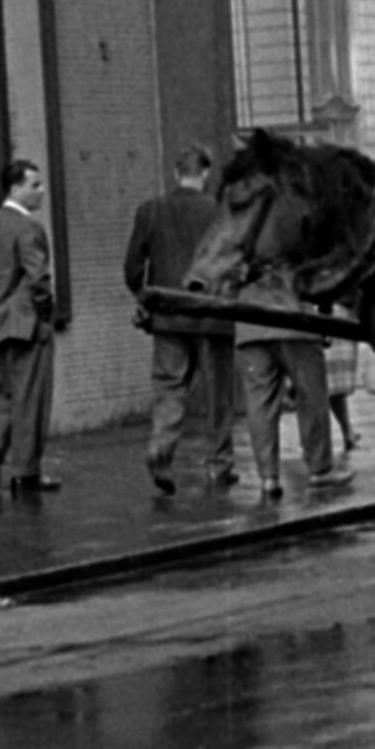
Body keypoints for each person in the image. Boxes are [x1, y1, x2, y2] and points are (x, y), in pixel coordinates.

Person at [124, 146, 238, 498]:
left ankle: (161, 450)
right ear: (204, 175)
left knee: (169, 388)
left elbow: (132, 267)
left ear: (176, 173)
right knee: (218, 394)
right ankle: (219, 463)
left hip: (169, 316)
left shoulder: (151, 210)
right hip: (214, 316)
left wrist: (145, 298)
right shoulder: (222, 214)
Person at [0, 157, 58, 493]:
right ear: (16, 187)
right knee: (31, 395)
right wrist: (45, 314)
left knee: (7, 389)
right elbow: (38, 278)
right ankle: (26, 470)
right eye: (34, 184)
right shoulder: (29, 228)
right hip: (24, 323)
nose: (41, 191)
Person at [236, 261, 350, 504]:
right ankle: (319, 469)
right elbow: (320, 272)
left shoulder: (239, 225)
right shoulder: (295, 223)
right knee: (312, 395)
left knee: (259, 402)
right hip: (296, 319)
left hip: (250, 320)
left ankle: (268, 477)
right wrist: (325, 316)